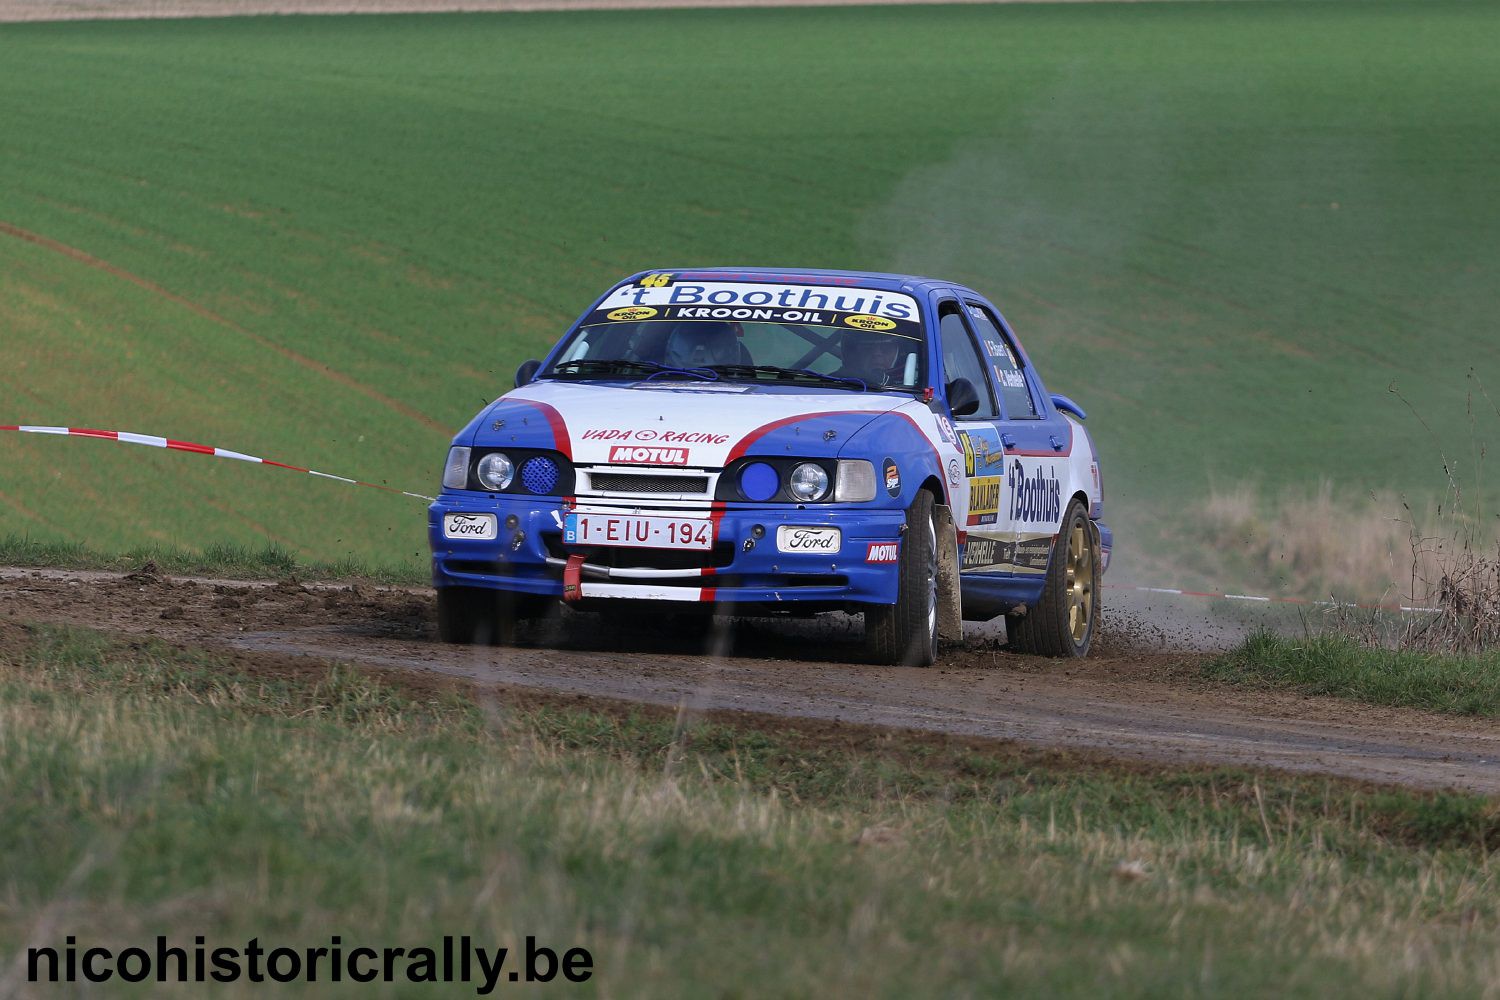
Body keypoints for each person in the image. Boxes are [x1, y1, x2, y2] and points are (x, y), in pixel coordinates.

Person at [832, 329, 901, 386]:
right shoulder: (829, 383)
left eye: (886, 348)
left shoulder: (906, 388)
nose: (877, 354)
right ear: (850, 352)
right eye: (868, 347)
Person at [663, 321, 743, 368]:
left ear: (732, 352)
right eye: (691, 343)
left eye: (715, 346)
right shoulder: (654, 371)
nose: (698, 352)